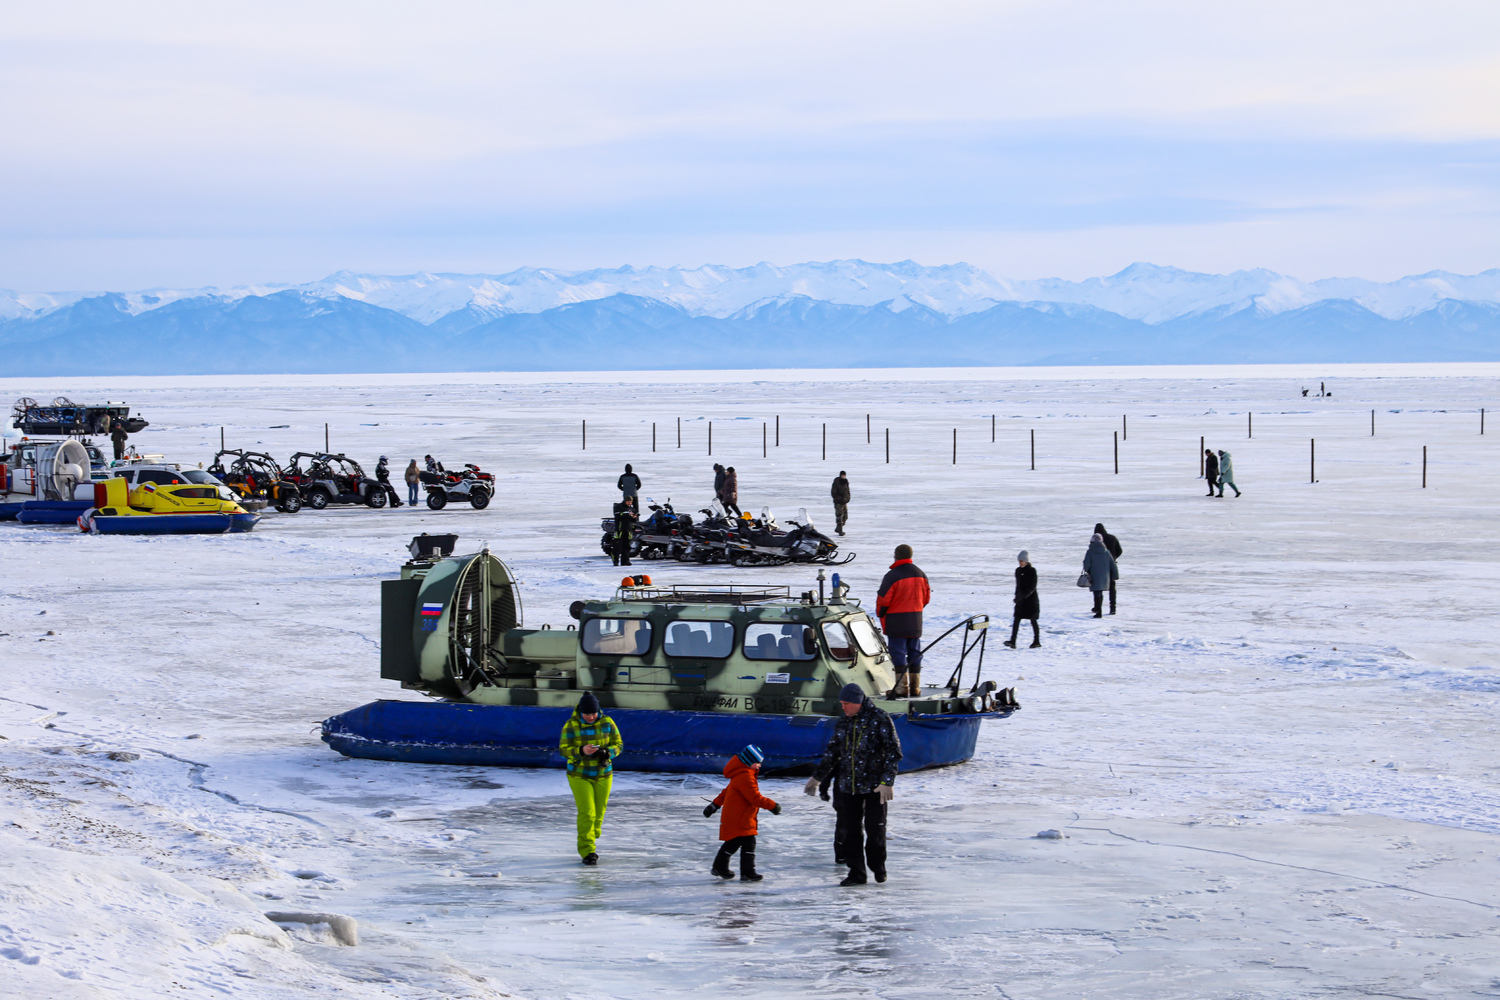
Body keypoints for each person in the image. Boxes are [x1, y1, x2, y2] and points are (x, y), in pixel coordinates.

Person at [804, 683, 902, 886]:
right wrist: (818, 777)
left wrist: (887, 782)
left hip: (875, 786)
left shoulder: (879, 719)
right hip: (849, 786)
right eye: (841, 703)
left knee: (875, 830)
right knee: (850, 831)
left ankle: (878, 866)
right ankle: (856, 872)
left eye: (846, 703)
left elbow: (893, 752)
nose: (843, 707)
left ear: (858, 702)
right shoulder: (843, 723)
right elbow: (833, 753)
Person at [559, 692, 623, 866]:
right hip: (579, 774)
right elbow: (564, 749)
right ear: (581, 712)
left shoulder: (607, 722)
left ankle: (591, 835)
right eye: (587, 714)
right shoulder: (571, 725)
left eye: (593, 713)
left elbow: (618, 745)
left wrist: (607, 752)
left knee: (599, 812)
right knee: (587, 812)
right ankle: (588, 850)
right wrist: (581, 751)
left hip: (603, 773)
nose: (591, 717)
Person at [703, 744, 780, 882]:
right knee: (740, 843)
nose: (759, 766)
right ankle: (738, 870)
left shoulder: (741, 774)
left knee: (742, 843)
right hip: (740, 818)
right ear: (749, 762)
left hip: (740, 817)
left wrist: (714, 805)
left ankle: (739, 870)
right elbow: (755, 798)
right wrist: (773, 806)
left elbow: (726, 792)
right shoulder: (745, 777)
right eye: (757, 763)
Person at [876, 544, 930, 698]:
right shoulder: (920, 574)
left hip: (897, 620)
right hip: (915, 620)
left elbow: (883, 600)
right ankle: (915, 688)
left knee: (898, 653)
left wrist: (881, 613)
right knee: (915, 652)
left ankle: (901, 688)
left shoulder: (893, 575)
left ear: (896, 555)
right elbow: (926, 598)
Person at [1006, 550, 1040, 648]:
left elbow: (1032, 587)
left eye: (1022, 561)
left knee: (1033, 620)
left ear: (1026, 561)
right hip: (1020, 600)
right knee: (1016, 620)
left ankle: (1036, 641)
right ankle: (1013, 641)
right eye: (1019, 561)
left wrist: (1022, 596)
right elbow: (1018, 586)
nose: (1020, 562)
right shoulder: (1018, 571)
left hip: (1031, 601)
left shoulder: (1032, 571)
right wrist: (1017, 596)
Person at [1083, 532, 1118, 618]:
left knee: (1097, 592)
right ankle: (1100, 610)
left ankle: (1098, 612)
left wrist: (1087, 570)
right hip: (1105, 576)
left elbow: (1086, 564)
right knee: (1100, 592)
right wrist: (1115, 575)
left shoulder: (1090, 552)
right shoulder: (1107, 552)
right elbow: (1113, 564)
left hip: (1094, 575)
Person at [1093, 522, 1122, 614]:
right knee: (1112, 587)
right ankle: (1112, 608)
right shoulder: (1112, 538)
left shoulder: (1095, 540)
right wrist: (1113, 558)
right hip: (1111, 566)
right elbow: (1120, 551)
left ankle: (1097, 607)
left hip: (1098, 568)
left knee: (1098, 587)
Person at [830, 471, 851, 536]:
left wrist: (848, 498)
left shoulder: (846, 482)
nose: (843, 476)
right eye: (842, 475)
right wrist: (838, 499)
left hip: (844, 502)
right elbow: (833, 492)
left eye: (844, 475)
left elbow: (847, 491)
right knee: (839, 516)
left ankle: (838, 528)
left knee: (845, 516)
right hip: (838, 502)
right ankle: (840, 531)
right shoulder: (836, 482)